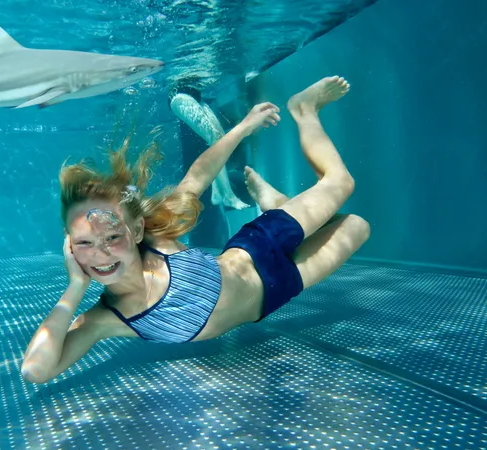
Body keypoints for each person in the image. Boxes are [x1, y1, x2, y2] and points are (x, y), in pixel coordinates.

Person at [21, 76, 370, 384]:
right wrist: (76, 286)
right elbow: (36, 370)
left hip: (258, 246)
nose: (102, 254)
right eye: (85, 243)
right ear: (70, 247)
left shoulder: (157, 239)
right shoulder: (106, 319)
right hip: (276, 291)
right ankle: (274, 201)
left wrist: (241, 127)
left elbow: (197, 177)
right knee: (356, 225)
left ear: (137, 230)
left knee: (342, 182)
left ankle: (304, 109)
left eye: (113, 237)